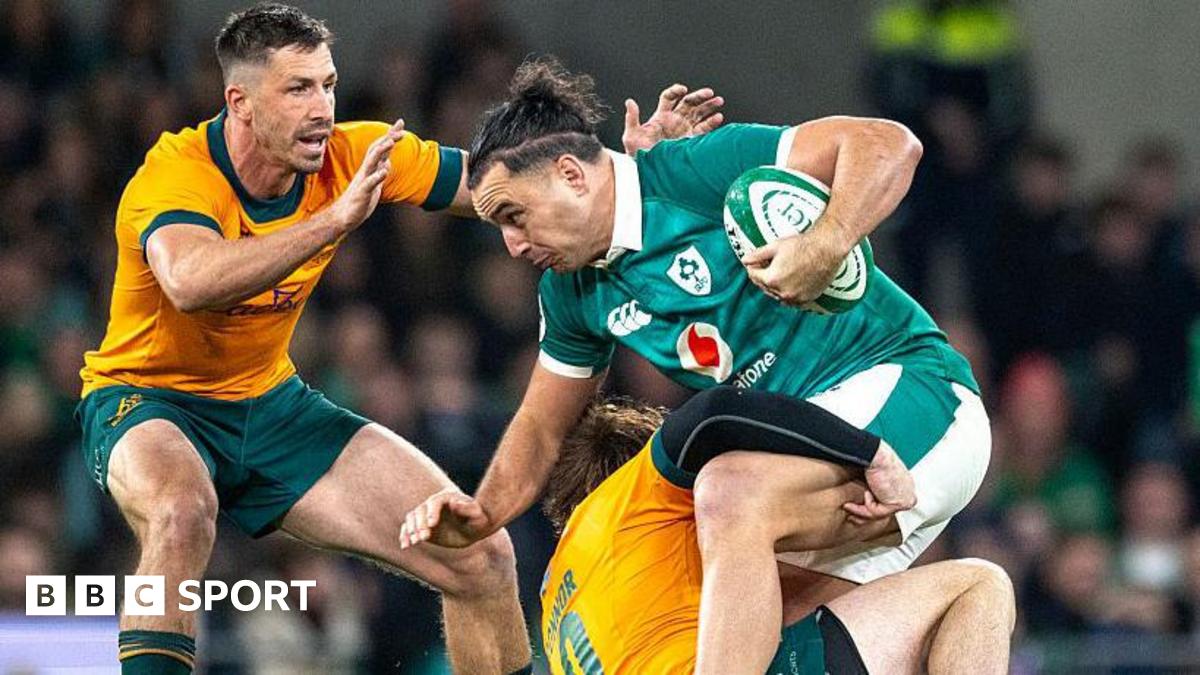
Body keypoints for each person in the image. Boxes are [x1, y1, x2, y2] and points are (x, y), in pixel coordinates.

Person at [76, 5, 723, 673]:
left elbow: (504, 185)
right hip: (146, 399)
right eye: (298, 89)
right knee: (182, 511)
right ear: (239, 101)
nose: (322, 108)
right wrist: (334, 220)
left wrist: (626, 171)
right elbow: (190, 280)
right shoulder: (177, 173)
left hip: (270, 406)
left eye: (328, 85)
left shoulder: (352, 155)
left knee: (479, 556)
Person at [401, 57, 991, 674]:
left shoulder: (691, 170)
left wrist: (827, 241)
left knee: (727, 493)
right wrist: (483, 512)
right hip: (816, 456)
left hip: (913, 393)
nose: (512, 245)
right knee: (736, 623)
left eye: (514, 216)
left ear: (571, 174)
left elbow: (889, 144)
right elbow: (542, 427)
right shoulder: (573, 292)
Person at [537, 389, 1015, 674]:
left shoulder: (554, 602)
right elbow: (712, 411)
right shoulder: (629, 498)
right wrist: (869, 452)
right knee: (979, 586)